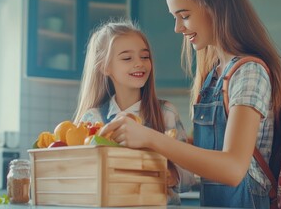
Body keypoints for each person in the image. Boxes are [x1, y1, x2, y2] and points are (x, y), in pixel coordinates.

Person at [98, 0, 281, 208]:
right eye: (175, 17)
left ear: (216, 8)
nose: (177, 28)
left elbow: (233, 169)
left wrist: (150, 137)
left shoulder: (249, 72)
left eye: (184, 15)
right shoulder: (213, 76)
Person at [73, 19, 195, 205]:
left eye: (144, 57)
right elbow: (82, 178)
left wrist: (172, 175)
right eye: (127, 58)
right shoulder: (92, 119)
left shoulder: (166, 113)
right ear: (105, 67)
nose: (139, 63)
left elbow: (188, 177)